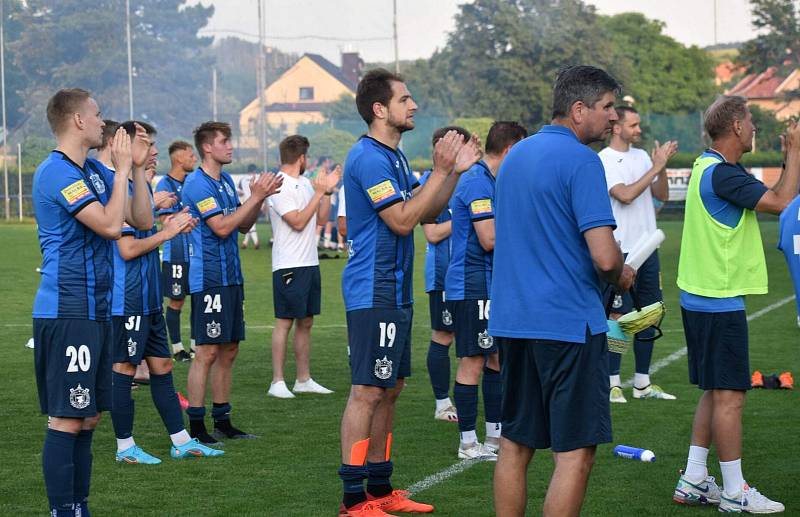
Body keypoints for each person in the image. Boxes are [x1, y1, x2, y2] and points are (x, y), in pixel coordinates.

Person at [490, 66, 635, 517]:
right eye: (608, 106)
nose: (614, 117)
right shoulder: (581, 160)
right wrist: (622, 273)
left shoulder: (515, 156)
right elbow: (605, 257)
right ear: (578, 109)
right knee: (575, 453)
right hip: (568, 324)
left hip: (514, 321)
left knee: (514, 444)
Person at [337, 68, 481, 517]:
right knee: (366, 391)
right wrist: (440, 170)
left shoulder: (393, 157)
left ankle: (381, 489)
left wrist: (453, 174)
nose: (413, 106)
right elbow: (400, 220)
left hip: (395, 290)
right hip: (372, 289)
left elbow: (427, 212)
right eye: (405, 100)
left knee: (390, 387)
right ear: (380, 110)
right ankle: (353, 499)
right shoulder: (369, 158)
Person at [673, 96, 799, 513]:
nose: (755, 129)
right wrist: (795, 153)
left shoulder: (705, 167)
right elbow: (782, 203)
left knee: (715, 390)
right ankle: (733, 491)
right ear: (737, 129)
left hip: (701, 297)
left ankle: (693, 479)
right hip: (716, 300)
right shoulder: (724, 175)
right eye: (750, 122)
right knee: (730, 396)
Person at [32, 88, 152, 516]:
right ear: (78, 121)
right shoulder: (56, 172)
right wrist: (120, 171)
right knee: (67, 417)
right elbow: (107, 225)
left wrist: (135, 171)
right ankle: (63, 510)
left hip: (97, 310)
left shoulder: (96, 174)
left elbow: (141, 219)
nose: (105, 123)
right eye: (98, 115)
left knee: (88, 418)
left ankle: (78, 506)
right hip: (67, 311)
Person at [109, 121, 222, 464]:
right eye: (146, 142)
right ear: (124, 146)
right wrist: (168, 231)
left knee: (161, 367)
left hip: (146, 297)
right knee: (125, 369)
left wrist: (164, 219)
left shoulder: (138, 185)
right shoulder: (119, 190)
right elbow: (127, 250)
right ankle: (124, 447)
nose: (155, 150)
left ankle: (181, 440)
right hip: (126, 298)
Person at [182, 121, 282, 445]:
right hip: (209, 279)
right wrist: (255, 197)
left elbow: (243, 225)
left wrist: (259, 200)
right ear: (207, 147)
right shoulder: (197, 184)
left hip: (231, 278)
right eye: (225, 141)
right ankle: (196, 427)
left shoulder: (224, 180)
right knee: (207, 352)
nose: (230, 146)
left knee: (229, 350)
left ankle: (222, 420)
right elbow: (222, 227)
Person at [447, 121, 527, 461]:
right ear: (509, 151)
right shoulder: (478, 181)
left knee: (495, 358)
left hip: (491, 283)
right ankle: (467, 443)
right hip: (472, 283)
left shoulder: (494, 180)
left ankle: (494, 436)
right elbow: (489, 239)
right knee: (473, 360)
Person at [599, 106, 678, 403]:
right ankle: (613, 382)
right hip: (622, 250)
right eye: (633, 125)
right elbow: (625, 195)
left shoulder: (643, 156)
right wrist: (656, 166)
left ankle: (643, 384)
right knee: (619, 315)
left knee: (650, 313)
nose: (639, 129)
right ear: (617, 127)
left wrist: (662, 165)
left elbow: (662, 195)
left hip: (648, 248)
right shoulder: (604, 160)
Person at [266, 135, 339, 398]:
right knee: (284, 322)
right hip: (288, 264)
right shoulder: (279, 185)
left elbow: (319, 218)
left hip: (309, 262)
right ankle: (277, 381)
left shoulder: (306, 184)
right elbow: (296, 221)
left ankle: (303, 379)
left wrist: (327, 192)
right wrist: (319, 192)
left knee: (306, 322)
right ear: (301, 158)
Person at [420, 126, 471, 424]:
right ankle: (442, 403)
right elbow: (433, 233)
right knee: (443, 335)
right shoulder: (432, 183)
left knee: (482, 341)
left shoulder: (474, 179)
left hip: (473, 275)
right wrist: (466, 219)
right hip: (443, 274)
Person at [156, 140, 198, 362]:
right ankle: (177, 348)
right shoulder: (164, 185)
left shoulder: (192, 182)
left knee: (198, 299)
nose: (194, 159)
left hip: (196, 253)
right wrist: (181, 217)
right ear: (179, 158)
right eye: (191, 155)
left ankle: (195, 346)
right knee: (177, 301)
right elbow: (166, 220)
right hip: (176, 255)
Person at [238, 163, 261, 249]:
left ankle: (251, 242)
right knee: (251, 222)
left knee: (249, 222)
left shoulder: (242, 179)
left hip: (246, 203)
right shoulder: (256, 179)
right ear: (254, 171)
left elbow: (239, 192)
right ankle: (251, 242)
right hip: (255, 203)